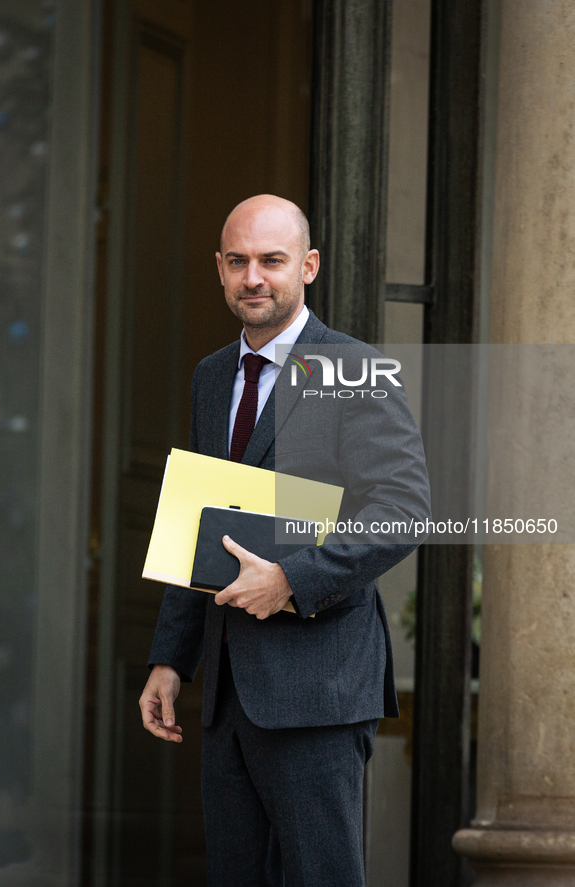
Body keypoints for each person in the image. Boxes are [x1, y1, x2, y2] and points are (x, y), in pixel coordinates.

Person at [139, 194, 430, 887]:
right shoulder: (211, 377)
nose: (253, 278)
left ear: (309, 265)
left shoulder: (352, 368)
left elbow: (402, 509)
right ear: (218, 267)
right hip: (228, 694)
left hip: (318, 692)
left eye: (271, 261)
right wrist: (170, 659)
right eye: (237, 261)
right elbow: (199, 520)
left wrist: (291, 580)